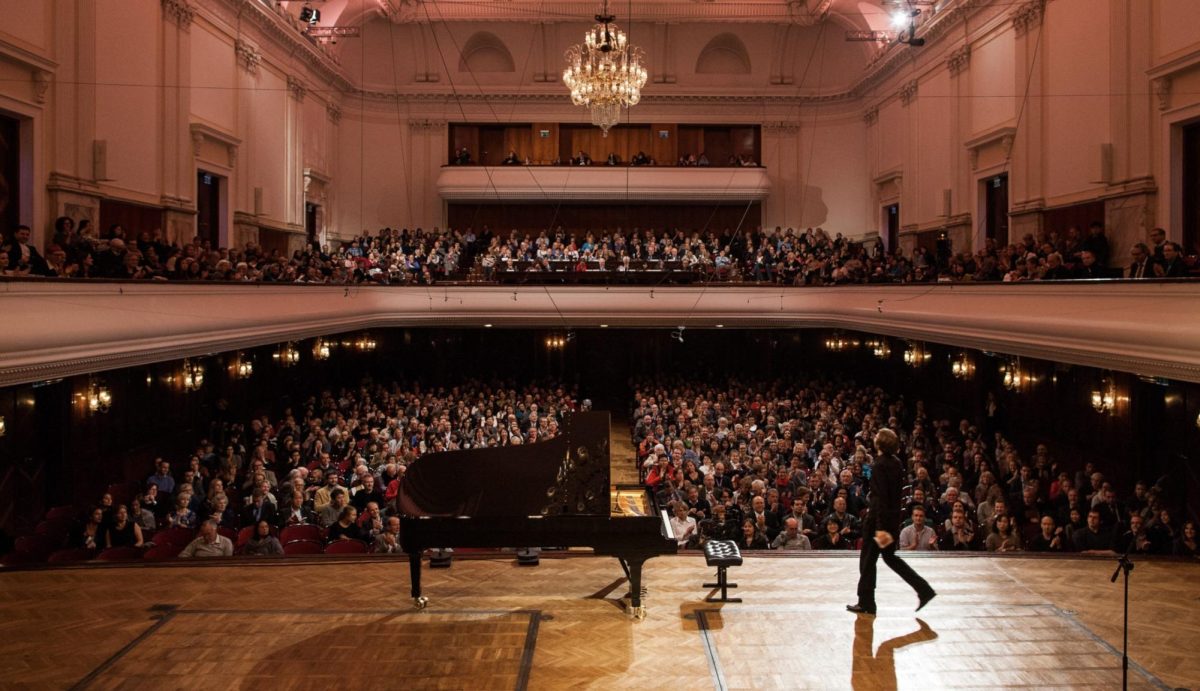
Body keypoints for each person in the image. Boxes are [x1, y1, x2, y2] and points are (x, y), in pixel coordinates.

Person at [848, 429, 936, 615]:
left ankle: (866, 602)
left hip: (878, 523)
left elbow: (881, 498)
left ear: (881, 443)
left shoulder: (879, 465)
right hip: (890, 521)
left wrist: (879, 528)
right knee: (889, 558)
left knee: (867, 561)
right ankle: (924, 589)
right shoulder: (897, 463)